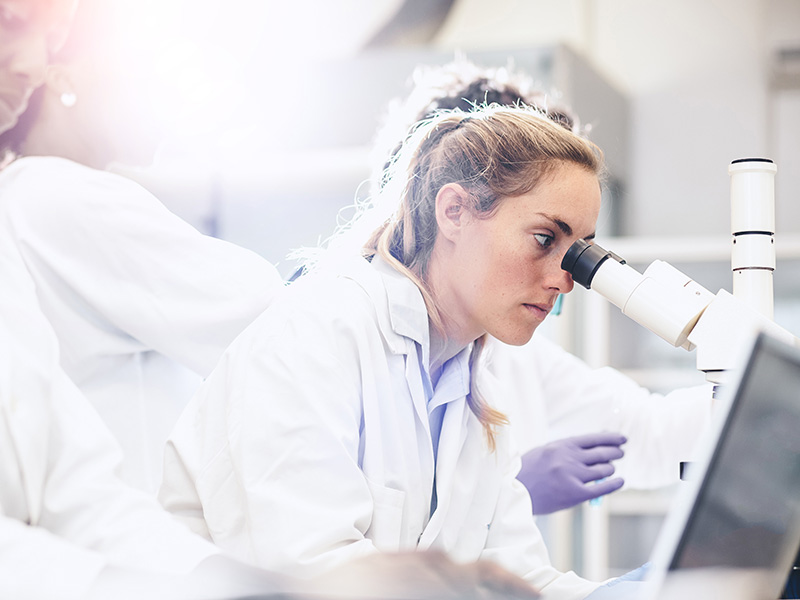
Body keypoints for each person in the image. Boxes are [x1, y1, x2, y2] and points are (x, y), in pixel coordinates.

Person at [160, 104, 615, 599]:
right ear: (455, 212)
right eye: (545, 238)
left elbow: (522, 582)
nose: (564, 281)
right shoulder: (319, 331)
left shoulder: (474, 392)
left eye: (577, 253)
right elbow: (313, 570)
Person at [371, 58, 714, 515]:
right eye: (543, 236)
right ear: (451, 203)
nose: (565, 281)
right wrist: (511, 492)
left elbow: (647, 434)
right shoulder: (343, 334)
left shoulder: (500, 356)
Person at [0, 0, 285, 493]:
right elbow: (262, 313)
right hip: (134, 534)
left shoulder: (28, 195)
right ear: (61, 77)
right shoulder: (60, 193)